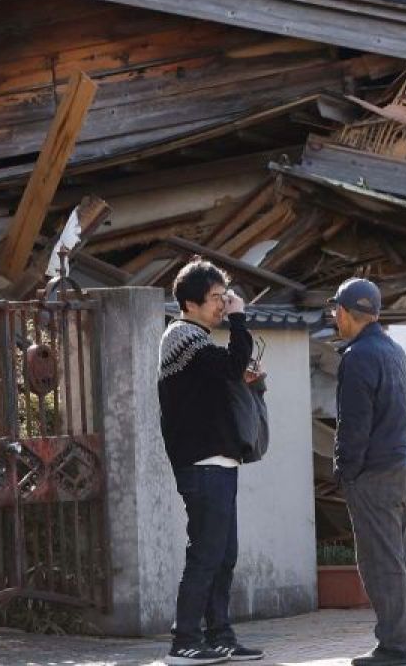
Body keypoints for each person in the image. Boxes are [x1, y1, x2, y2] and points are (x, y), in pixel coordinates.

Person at [159, 260, 265, 665]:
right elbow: (230, 365)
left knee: (224, 553)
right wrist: (240, 322)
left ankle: (220, 636)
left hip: (218, 462)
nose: (223, 305)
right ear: (190, 302)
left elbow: (223, 377)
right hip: (201, 464)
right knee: (206, 552)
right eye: (217, 299)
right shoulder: (183, 337)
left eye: (225, 298)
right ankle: (184, 639)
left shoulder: (195, 339)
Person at [329, 277, 406, 666]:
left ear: (348, 313)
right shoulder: (394, 351)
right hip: (401, 464)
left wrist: (344, 471)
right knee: (399, 556)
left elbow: (354, 425)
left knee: (381, 561)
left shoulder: (358, 357)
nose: (334, 317)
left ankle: (395, 648)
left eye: (336, 310)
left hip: (373, 471)